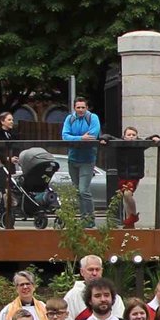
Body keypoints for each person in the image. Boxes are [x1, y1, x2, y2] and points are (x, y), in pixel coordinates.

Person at [61, 97, 102, 227]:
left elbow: (93, 135)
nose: (80, 110)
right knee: (78, 191)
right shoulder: (70, 119)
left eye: (83, 107)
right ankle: (83, 218)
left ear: (87, 108)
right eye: (78, 107)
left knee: (84, 190)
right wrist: (80, 138)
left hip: (87, 159)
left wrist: (76, 139)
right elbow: (64, 136)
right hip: (73, 159)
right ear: (74, 108)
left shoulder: (93, 118)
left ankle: (89, 220)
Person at [108, 125, 148, 228]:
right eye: (129, 135)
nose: (131, 137)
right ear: (124, 136)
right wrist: (104, 138)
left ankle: (134, 215)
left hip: (134, 176)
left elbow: (149, 140)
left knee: (127, 194)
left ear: (137, 136)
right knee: (125, 199)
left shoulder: (140, 145)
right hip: (122, 175)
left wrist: (154, 137)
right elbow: (108, 136)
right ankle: (130, 222)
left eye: (133, 135)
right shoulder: (120, 144)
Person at [63, 255, 125, 320]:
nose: (94, 273)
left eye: (97, 270)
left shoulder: (113, 296)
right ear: (82, 272)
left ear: (102, 271)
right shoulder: (72, 296)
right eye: (90, 270)